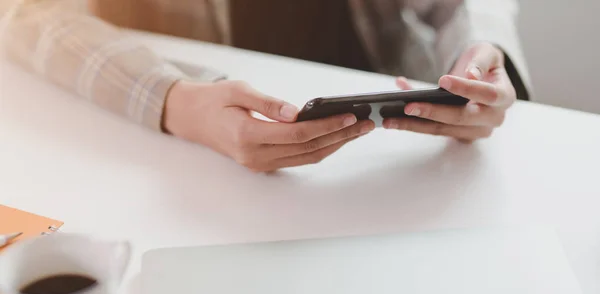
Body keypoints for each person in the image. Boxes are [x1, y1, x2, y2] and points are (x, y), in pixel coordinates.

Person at [1, 0, 531, 172]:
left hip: (394, 147)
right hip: (192, 145)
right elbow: (26, 14)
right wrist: (172, 101)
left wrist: (483, 60)